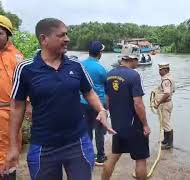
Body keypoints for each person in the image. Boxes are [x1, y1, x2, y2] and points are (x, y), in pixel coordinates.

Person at [3, 18, 115, 180]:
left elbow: (89, 92)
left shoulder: (76, 66)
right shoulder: (26, 69)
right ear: (44, 39)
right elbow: (16, 107)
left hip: (78, 143)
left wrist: (101, 110)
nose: (67, 39)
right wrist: (13, 146)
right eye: (61, 35)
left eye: (67, 34)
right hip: (43, 145)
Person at [102, 44, 151, 180]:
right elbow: (138, 104)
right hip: (134, 126)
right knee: (141, 160)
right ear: (132, 58)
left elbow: (107, 101)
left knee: (113, 157)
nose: (138, 62)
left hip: (118, 125)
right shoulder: (134, 76)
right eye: (137, 59)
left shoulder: (109, 75)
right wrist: (145, 125)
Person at [0, 15, 29, 179]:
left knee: (8, 160)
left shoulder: (17, 58)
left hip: (8, 116)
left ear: (8, 35)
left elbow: (25, 90)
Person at [80, 40, 108, 166]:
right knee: (99, 131)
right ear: (100, 53)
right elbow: (107, 90)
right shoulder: (102, 69)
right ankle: (100, 157)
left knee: (86, 130)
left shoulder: (80, 65)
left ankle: (88, 155)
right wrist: (106, 108)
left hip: (82, 103)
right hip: (98, 105)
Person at [153, 63, 175, 149]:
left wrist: (158, 103)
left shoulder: (166, 80)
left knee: (166, 123)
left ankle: (169, 144)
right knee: (164, 122)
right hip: (168, 103)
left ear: (165, 70)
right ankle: (166, 140)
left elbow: (166, 93)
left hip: (165, 104)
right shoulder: (170, 78)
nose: (159, 71)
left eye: (160, 70)